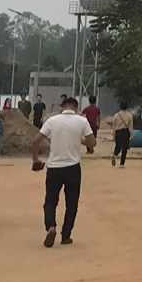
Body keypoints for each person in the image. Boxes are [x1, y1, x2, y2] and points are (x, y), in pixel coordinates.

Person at [34, 96, 96, 248]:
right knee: (71, 203)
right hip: (73, 168)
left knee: (50, 201)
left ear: (62, 107)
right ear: (76, 107)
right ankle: (66, 236)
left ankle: (51, 226)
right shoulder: (82, 121)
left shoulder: (52, 121)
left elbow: (35, 141)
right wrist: (80, 139)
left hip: (54, 168)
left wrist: (35, 160)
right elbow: (92, 142)